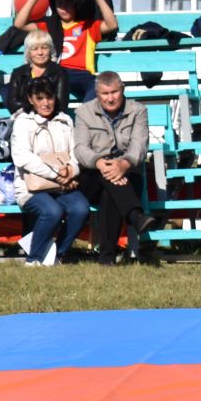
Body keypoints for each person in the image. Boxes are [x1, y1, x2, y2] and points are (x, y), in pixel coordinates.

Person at [74, 72, 154, 265]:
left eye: (114, 92)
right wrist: (100, 163)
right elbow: (80, 149)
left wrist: (123, 164)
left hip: (127, 173)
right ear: (97, 93)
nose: (110, 98)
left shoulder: (138, 111)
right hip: (93, 174)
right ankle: (136, 216)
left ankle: (106, 259)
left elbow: (139, 146)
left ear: (122, 90)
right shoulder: (83, 112)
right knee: (108, 177)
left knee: (110, 194)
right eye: (105, 93)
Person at [11, 82, 89, 265]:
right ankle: (33, 259)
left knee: (81, 209)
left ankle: (57, 255)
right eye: (39, 98)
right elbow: (22, 157)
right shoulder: (23, 122)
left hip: (63, 184)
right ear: (31, 100)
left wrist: (72, 170)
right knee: (52, 211)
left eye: (49, 97)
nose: (45, 103)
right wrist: (56, 174)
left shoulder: (66, 120)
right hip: (31, 187)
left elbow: (75, 152)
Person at [16, 0, 117, 103]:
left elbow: (112, 25)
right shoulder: (50, 26)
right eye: (60, 4)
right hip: (56, 72)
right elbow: (19, 24)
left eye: (68, 4)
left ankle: (86, 117)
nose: (64, 9)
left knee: (96, 85)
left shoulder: (87, 26)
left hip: (81, 74)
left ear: (75, 5)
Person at [4, 30, 68, 113]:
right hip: (25, 118)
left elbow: (61, 105)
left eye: (44, 48)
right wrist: (39, 108)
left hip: (51, 119)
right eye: (34, 49)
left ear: (50, 50)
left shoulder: (60, 72)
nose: (40, 53)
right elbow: (12, 104)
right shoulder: (18, 73)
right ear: (28, 52)